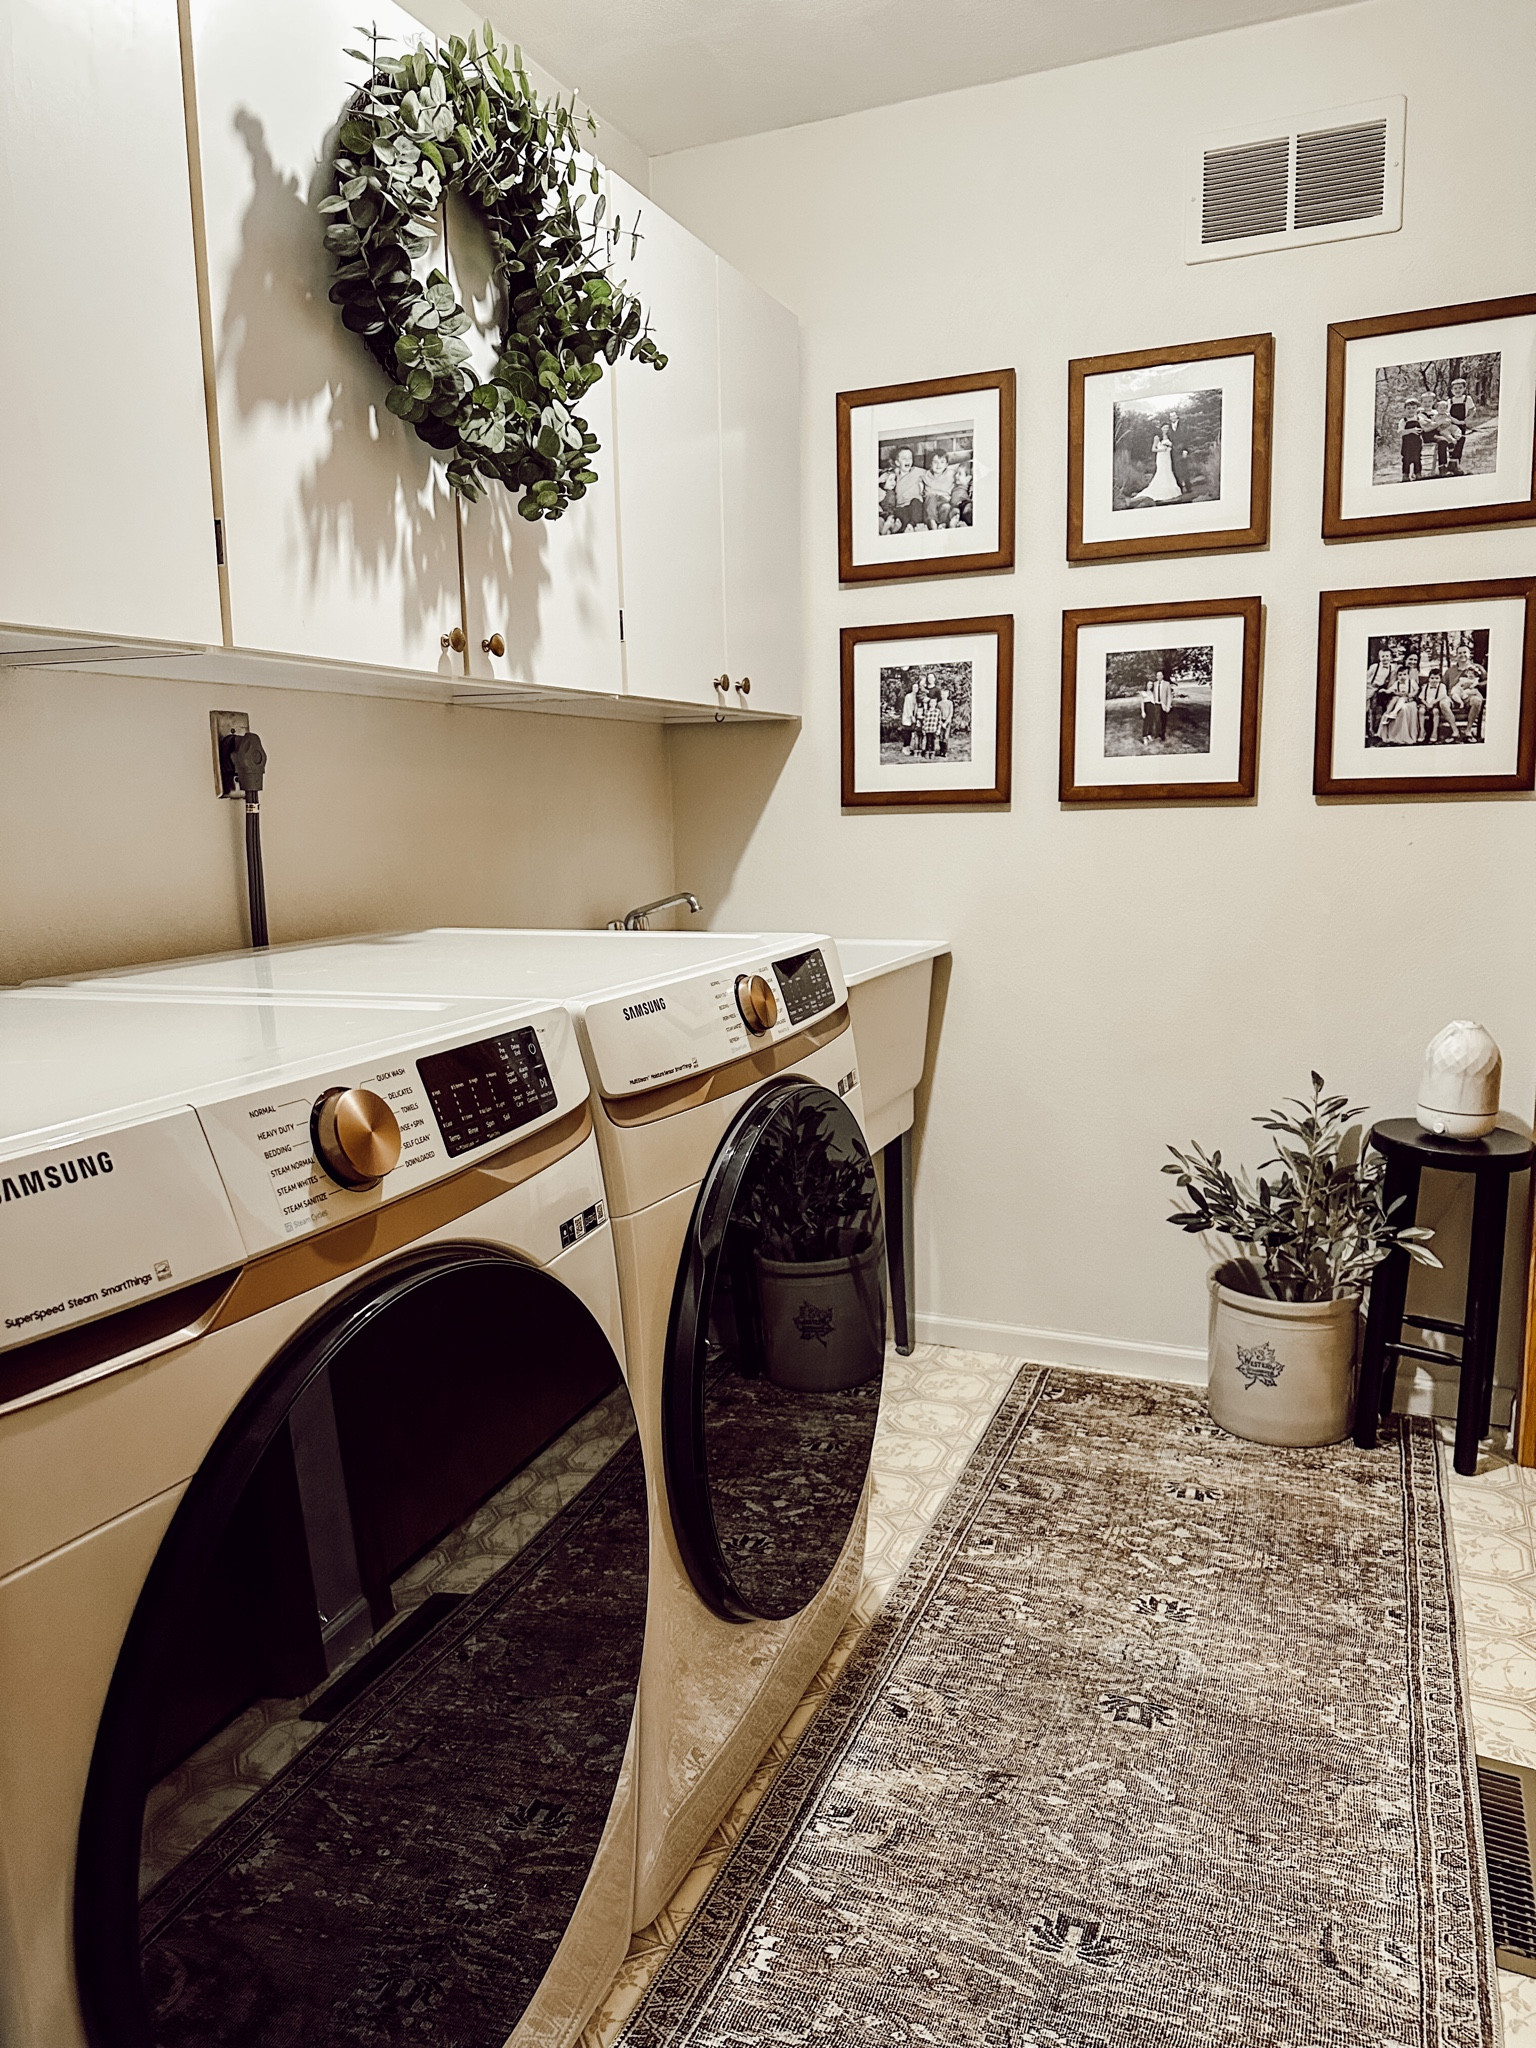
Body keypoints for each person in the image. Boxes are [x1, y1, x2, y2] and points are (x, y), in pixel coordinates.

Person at [1135, 421, 1183, 504]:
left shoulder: (1168, 436)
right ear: (1161, 428)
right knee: (1162, 471)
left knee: (1168, 471)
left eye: (1167, 428)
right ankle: (1160, 489)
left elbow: (1171, 445)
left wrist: (1169, 448)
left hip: (1167, 456)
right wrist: (1162, 449)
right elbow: (1153, 449)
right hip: (1161, 456)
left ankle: (1170, 487)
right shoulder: (1157, 437)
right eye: (1164, 428)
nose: (1166, 429)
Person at [886, 447, 927, 530]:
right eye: (904, 458)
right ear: (897, 462)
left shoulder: (918, 471)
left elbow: (933, 473)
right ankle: (904, 527)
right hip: (901, 506)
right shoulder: (893, 475)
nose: (908, 461)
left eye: (910, 458)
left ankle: (912, 525)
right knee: (900, 514)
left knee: (916, 504)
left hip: (916, 504)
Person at [922, 449, 958, 528]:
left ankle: (942, 523)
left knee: (946, 507)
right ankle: (932, 521)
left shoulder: (951, 473)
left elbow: (965, 465)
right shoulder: (925, 474)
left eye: (942, 462)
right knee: (930, 496)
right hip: (930, 502)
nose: (939, 465)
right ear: (930, 464)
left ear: (946, 464)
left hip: (944, 500)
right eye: (935, 462)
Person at [1400, 402, 1424, 481]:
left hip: (1417, 442)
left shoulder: (1419, 419)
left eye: (1413, 408)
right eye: (1409, 408)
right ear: (1405, 410)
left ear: (1417, 409)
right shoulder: (1403, 421)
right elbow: (1400, 432)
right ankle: (1405, 474)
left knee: (1417, 458)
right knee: (1406, 458)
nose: (1411, 410)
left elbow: (1424, 427)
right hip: (1407, 443)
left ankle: (1418, 473)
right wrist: (1411, 430)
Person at [899, 672, 919, 756]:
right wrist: (911, 717)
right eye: (914, 687)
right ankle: (905, 748)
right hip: (908, 718)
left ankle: (909, 747)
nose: (915, 688)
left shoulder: (917, 697)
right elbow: (907, 708)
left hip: (913, 717)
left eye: (917, 687)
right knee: (906, 733)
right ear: (912, 688)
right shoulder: (908, 696)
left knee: (911, 733)